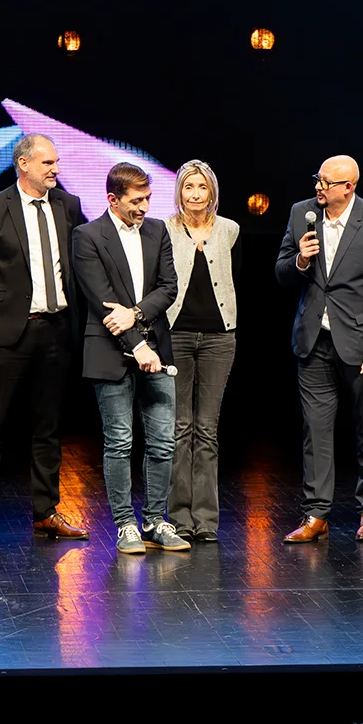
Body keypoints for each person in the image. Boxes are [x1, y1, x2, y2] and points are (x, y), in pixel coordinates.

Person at [0, 133, 89, 542]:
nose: (55, 169)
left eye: (56, 162)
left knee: (48, 425)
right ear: (24, 164)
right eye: (48, 163)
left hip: (56, 330)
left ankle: (46, 511)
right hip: (9, 332)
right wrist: (2, 307)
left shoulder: (68, 205)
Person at [275, 155, 363, 543]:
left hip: (362, 346)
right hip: (313, 340)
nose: (318, 187)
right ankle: (316, 514)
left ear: (348, 187)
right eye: (318, 179)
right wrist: (300, 259)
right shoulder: (301, 214)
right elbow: (281, 271)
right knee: (315, 431)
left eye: (326, 182)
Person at [73, 162, 184, 554]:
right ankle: (125, 525)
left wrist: (135, 314)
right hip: (111, 352)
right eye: (136, 200)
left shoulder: (157, 231)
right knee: (120, 441)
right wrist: (138, 346)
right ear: (112, 199)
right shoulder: (87, 236)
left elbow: (168, 287)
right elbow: (102, 301)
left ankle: (154, 520)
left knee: (163, 442)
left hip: (157, 349)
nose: (144, 207)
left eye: (148, 198)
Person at [163, 159, 241, 542]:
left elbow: (232, 278)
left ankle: (206, 520)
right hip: (175, 335)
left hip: (218, 338)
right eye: (188, 187)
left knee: (207, 430)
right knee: (179, 428)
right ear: (179, 191)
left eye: (202, 187)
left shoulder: (229, 229)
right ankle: (179, 517)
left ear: (212, 192)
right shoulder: (164, 228)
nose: (195, 194)